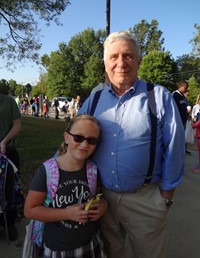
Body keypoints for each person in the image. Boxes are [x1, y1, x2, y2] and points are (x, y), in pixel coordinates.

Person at [78, 31, 185, 258]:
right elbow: (74, 139)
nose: (121, 63)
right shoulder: (95, 98)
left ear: (138, 60)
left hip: (145, 200)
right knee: (111, 253)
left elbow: (174, 149)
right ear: (105, 63)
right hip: (101, 199)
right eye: (114, 56)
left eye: (128, 56)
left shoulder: (159, 96)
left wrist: (165, 197)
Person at [24, 114, 108, 257]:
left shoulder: (92, 170)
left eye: (92, 140)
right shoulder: (47, 171)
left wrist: (103, 205)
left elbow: (98, 197)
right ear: (67, 137)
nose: (84, 144)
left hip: (89, 244)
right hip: (57, 249)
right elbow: (29, 210)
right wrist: (67, 214)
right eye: (78, 138)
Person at [0, 93, 21, 240]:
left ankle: (9, 223)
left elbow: (17, 125)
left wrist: (4, 141)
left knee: (9, 192)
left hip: (7, 154)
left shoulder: (8, 101)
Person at [172, 80, 190, 154]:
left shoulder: (182, 95)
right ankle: (175, 151)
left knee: (182, 136)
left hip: (184, 119)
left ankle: (181, 150)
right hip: (177, 120)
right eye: (185, 88)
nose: (186, 89)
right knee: (176, 136)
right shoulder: (174, 95)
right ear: (181, 86)